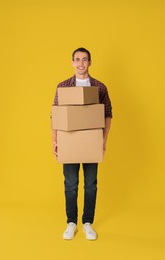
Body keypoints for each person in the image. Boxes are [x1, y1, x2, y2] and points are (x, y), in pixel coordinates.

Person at [52, 47, 112, 240]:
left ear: (90, 62)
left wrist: (103, 139)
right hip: (69, 141)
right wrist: (55, 140)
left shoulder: (99, 87)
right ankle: (71, 222)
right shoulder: (63, 86)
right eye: (77, 59)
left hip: (90, 143)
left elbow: (108, 114)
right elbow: (55, 113)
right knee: (70, 184)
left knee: (91, 184)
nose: (80, 63)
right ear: (72, 62)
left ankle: (87, 223)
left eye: (84, 59)